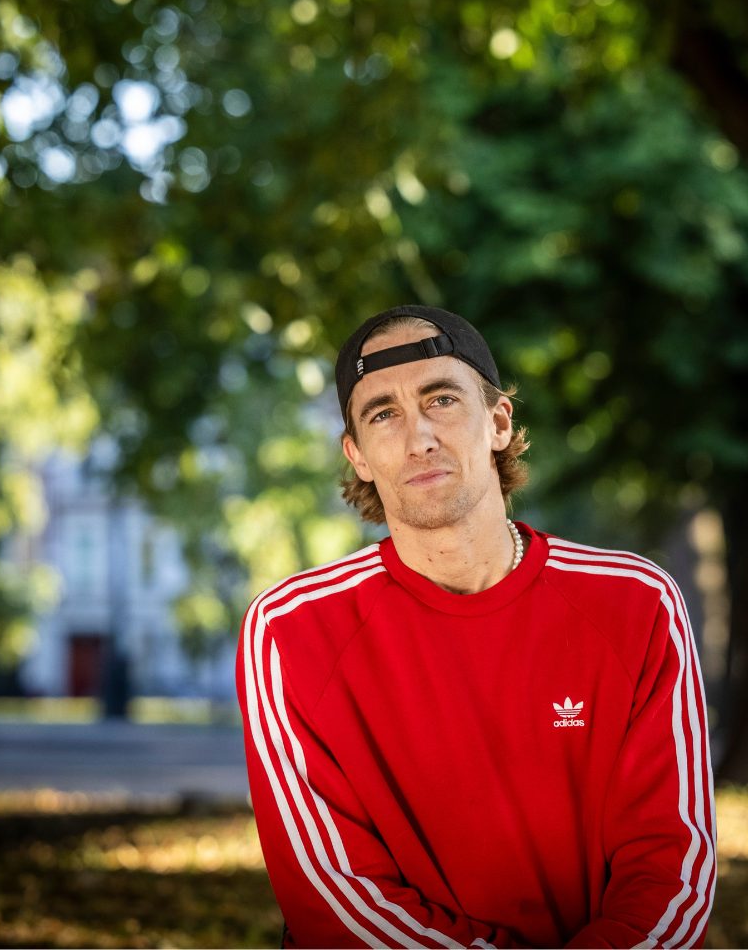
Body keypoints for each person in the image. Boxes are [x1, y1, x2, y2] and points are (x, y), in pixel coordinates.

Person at [236, 305, 715, 949]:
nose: (419, 438)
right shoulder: (290, 631)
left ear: (498, 422)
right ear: (358, 456)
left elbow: (671, 869)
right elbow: (335, 897)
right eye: (383, 414)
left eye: (441, 399)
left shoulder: (636, 603)